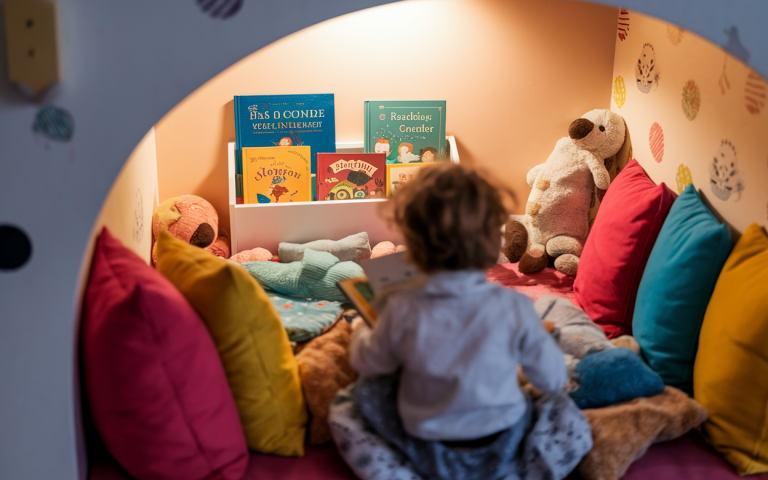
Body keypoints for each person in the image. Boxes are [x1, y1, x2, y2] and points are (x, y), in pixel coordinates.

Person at [348, 163, 577, 480]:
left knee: (356, 397)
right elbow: (551, 380)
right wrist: (541, 346)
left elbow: (368, 363)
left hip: (426, 445)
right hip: (504, 440)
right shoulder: (515, 307)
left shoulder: (399, 306)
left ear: (413, 245)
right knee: (563, 408)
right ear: (491, 243)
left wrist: (362, 332)